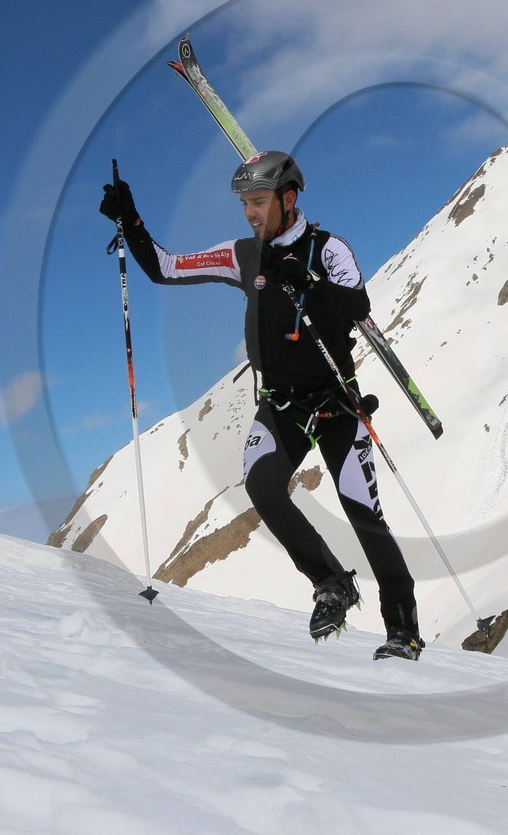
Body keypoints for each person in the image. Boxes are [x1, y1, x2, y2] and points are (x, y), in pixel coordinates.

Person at [99, 151, 423, 661]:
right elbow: (166, 268)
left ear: (288, 199)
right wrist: (132, 222)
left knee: (363, 512)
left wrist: (305, 282)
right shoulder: (243, 255)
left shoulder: (328, 249)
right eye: (244, 204)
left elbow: (357, 304)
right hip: (281, 404)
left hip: (337, 403)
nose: (249, 213)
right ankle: (331, 583)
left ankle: (403, 630)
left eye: (258, 202)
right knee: (261, 485)